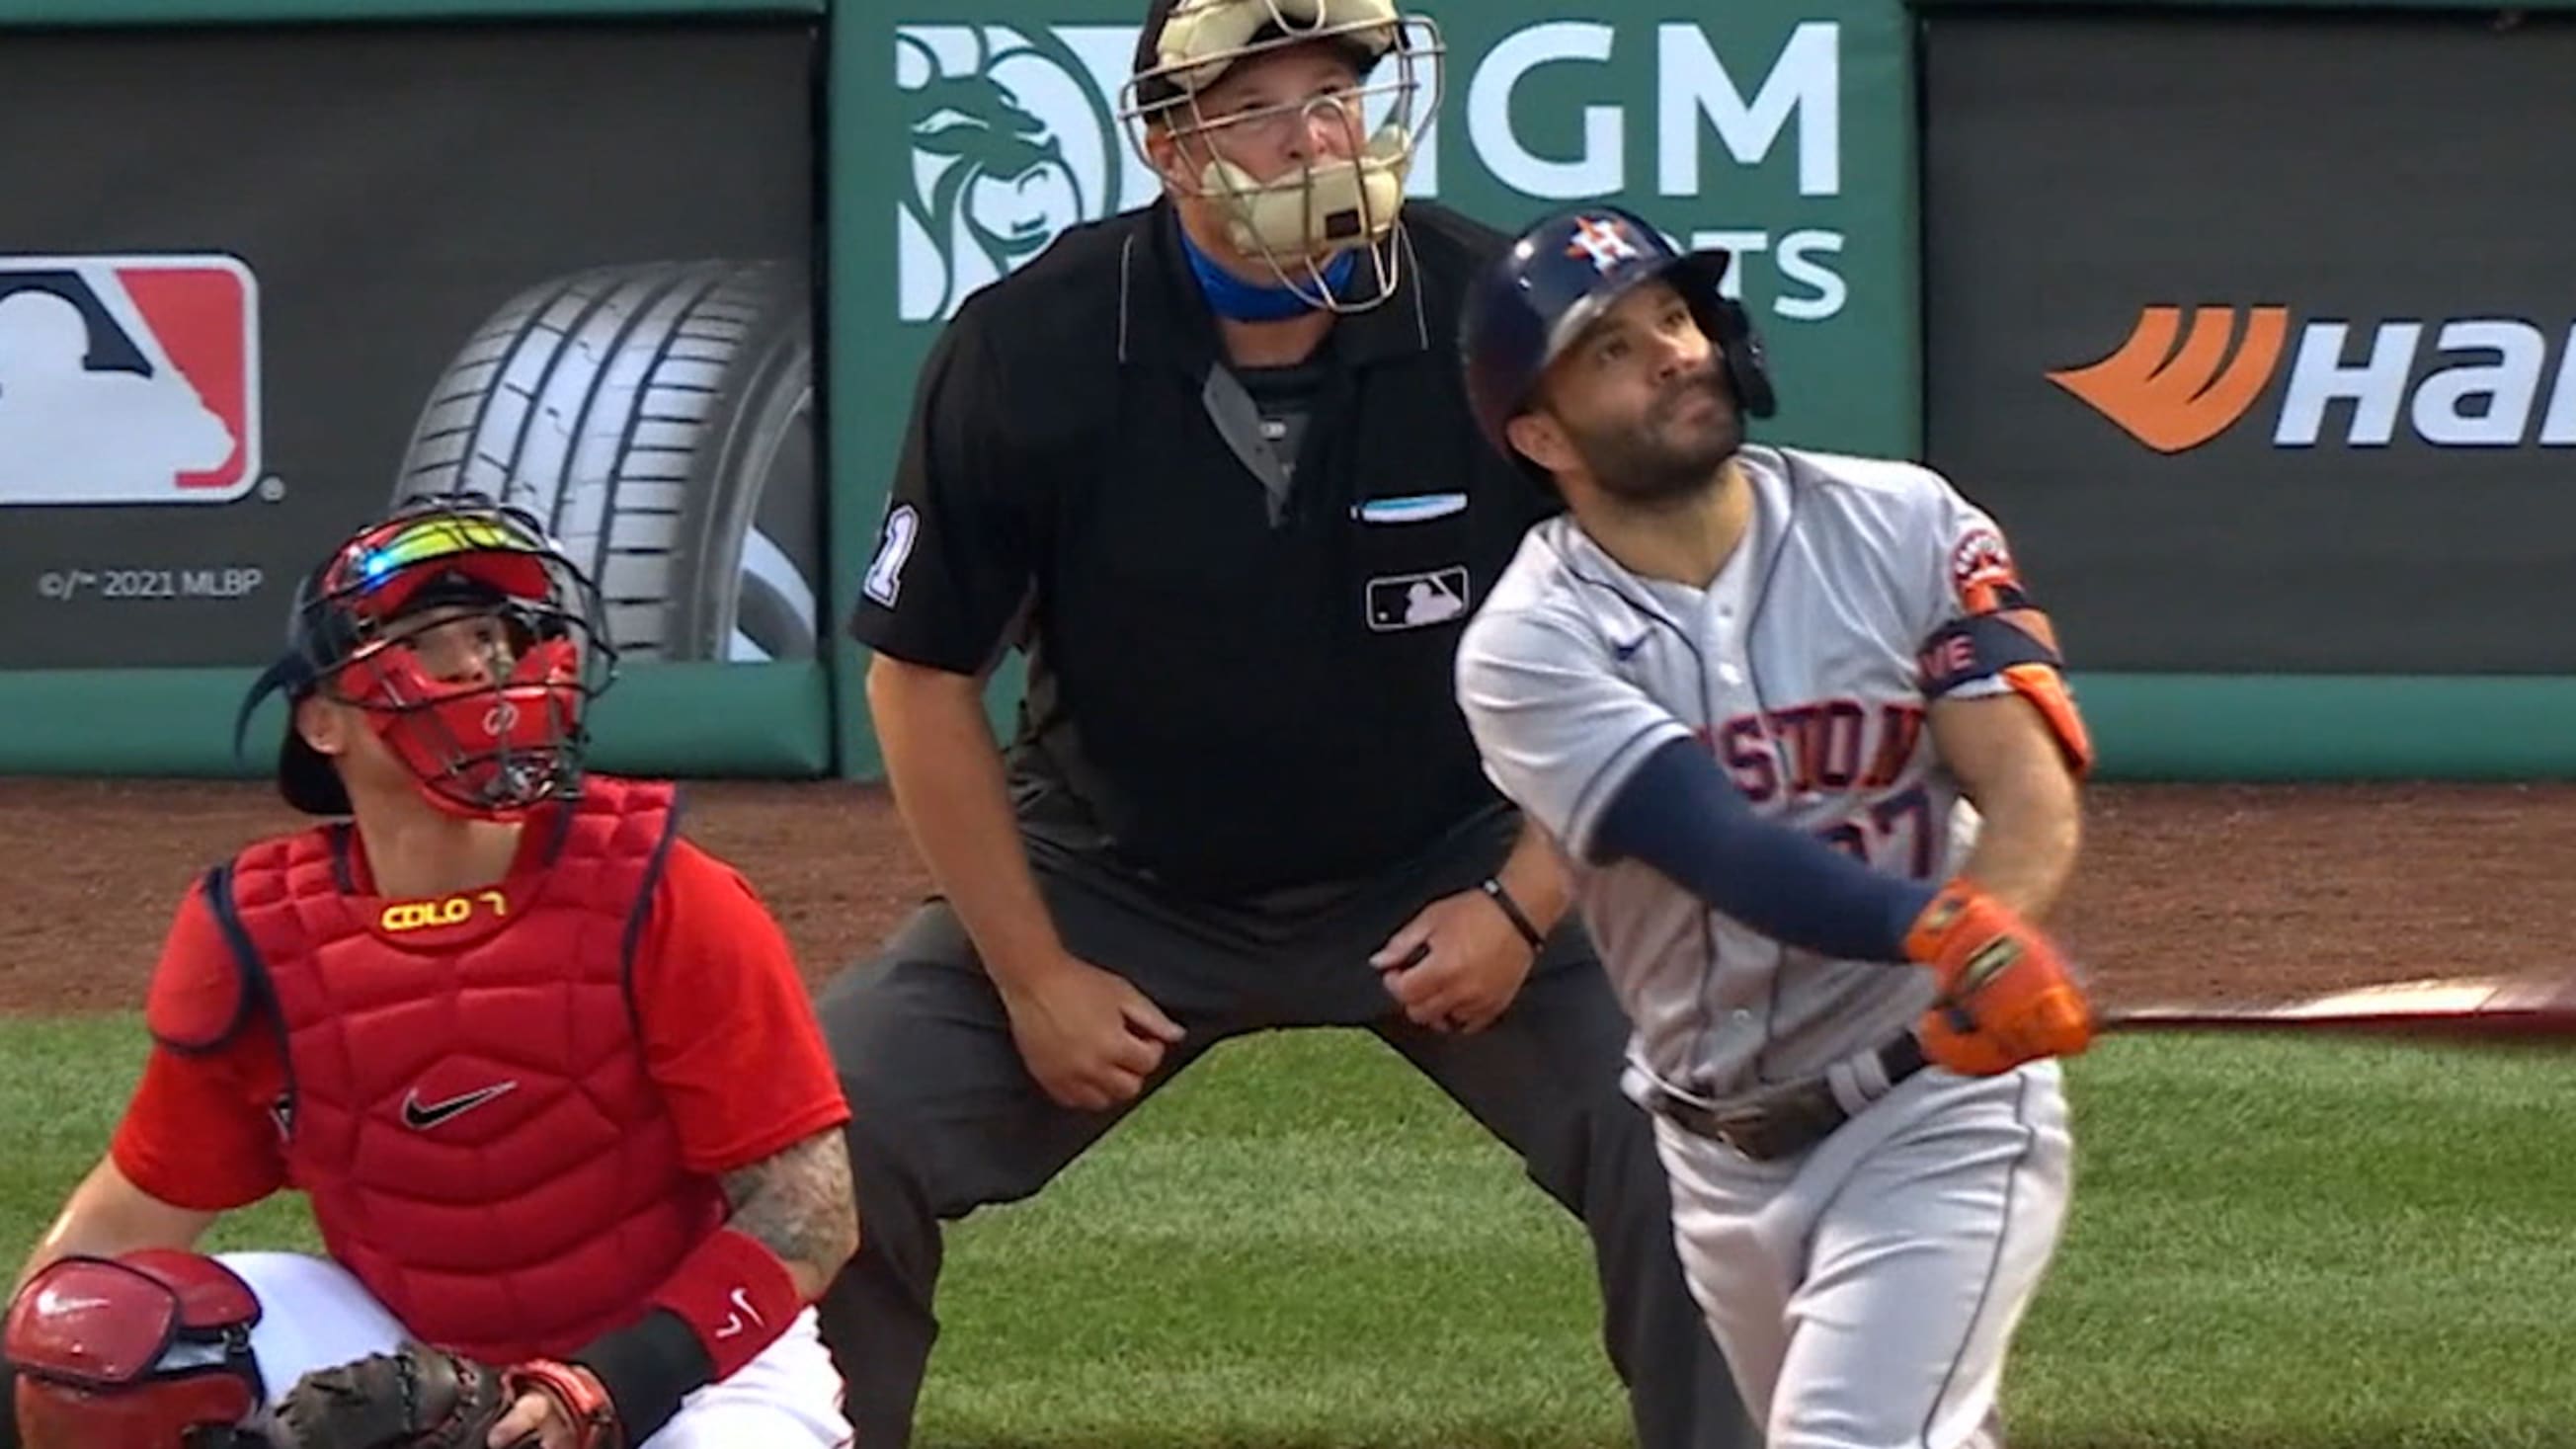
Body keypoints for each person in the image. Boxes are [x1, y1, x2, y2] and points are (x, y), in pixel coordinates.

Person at [819, 2, 1750, 1447]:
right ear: (1168, 148)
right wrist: (1031, 975)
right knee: (826, 1132)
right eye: (1264, 108)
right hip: (1117, 866)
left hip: (1458, 839)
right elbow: (921, 676)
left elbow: (1654, 617)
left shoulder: (1486, 311)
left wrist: (1524, 896)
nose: (1318, 134)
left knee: (1707, 1115)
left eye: (1338, 95)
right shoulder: (1033, 347)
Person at [0, 494, 859, 1449]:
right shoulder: (258, 935)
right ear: (323, 721)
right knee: (98, 1343)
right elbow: (117, 1231)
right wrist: (28, 1374)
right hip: (402, 1342)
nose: (485, 663)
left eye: (497, 633)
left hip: (684, 1365)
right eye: (434, 637)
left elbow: (810, 1216)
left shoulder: (666, 890)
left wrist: (605, 1385)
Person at [1450, 201, 2099, 1449]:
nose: (1674, 353)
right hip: (1716, 1156)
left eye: (1675, 319)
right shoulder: (1529, 646)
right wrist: (1941, 931)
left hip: (1936, 1108)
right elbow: (1722, 849)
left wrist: (1987, 936)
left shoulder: (1905, 524)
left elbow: (2019, 782)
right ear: (1538, 433)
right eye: (1612, 349)